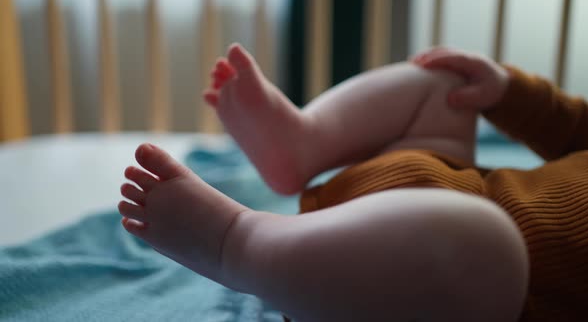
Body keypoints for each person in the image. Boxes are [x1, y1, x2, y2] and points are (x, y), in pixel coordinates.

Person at [117, 44, 532, 322]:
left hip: (440, 271)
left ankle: (238, 241)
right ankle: (302, 141)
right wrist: (510, 92)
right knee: (447, 86)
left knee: (493, 246)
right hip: (450, 171)